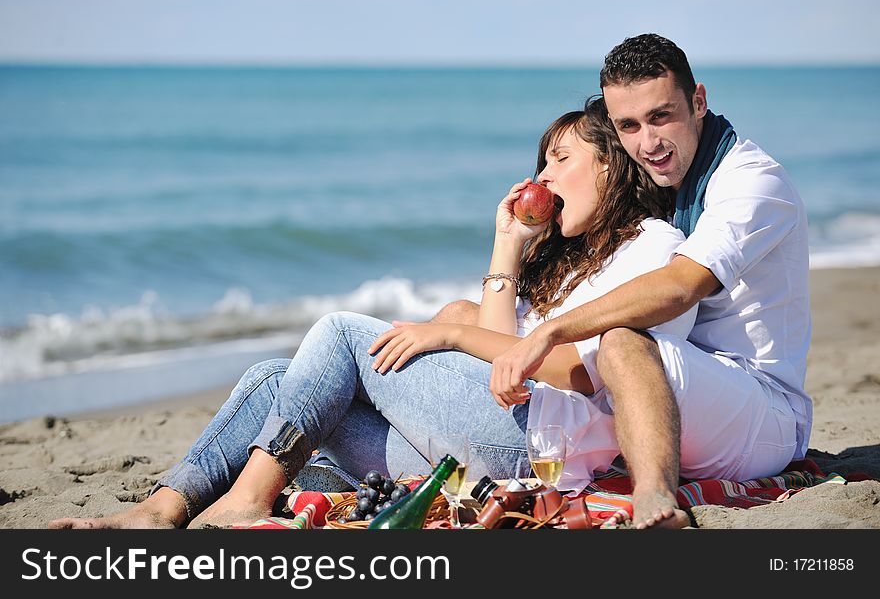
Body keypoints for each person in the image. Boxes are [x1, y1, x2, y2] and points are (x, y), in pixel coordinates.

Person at [48, 97, 695, 530]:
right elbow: (503, 354)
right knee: (277, 378)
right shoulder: (564, 259)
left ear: (611, 163)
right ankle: (160, 510)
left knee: (341, 333)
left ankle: (245, 503)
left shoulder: (649, 248)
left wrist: (445, 330)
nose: (543, 175)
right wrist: (508, 246)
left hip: (543, 445)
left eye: (561, 158)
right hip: (491, 431)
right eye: (542, 161)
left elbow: (582, 374)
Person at [490, 34, 812, 529]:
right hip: (682, 390)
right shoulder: (669, 181)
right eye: (628, 126)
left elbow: (681, 285)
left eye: (661, 116)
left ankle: (654, 501)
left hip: (761, 413)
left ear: (698, 101)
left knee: (620, 340)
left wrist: (550, 332)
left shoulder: (751, 181)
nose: (648, 142)